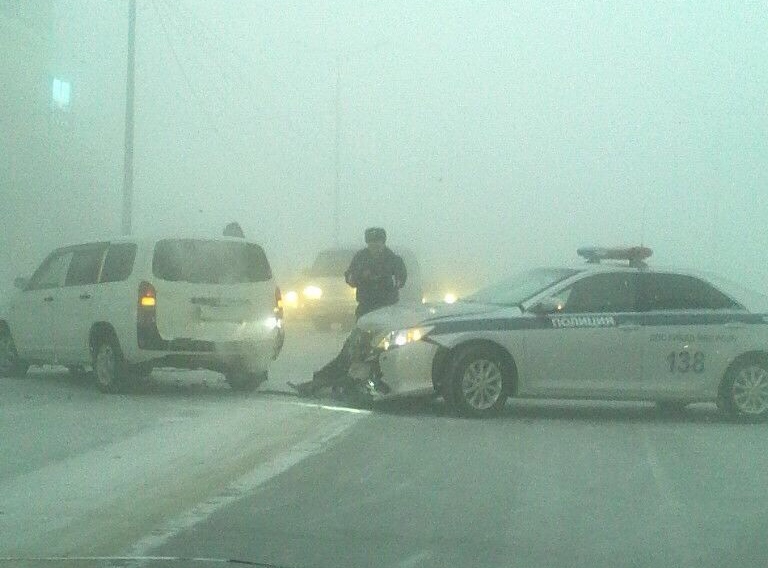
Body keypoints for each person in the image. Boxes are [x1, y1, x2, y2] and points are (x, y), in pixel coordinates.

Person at [290, 227, 407, 397]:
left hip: (387, 312)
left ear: (383, 242)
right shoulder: (361, 258)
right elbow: (350, 278)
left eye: (378, 242)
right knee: (355, 349)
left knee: (382, 350)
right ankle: (330, 378)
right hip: (365, 310)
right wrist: (362, 276)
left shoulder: (394, 260)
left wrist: (384, 278)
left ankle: (376, 380)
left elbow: (400, 280)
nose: (374, 246)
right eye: (371, 242)